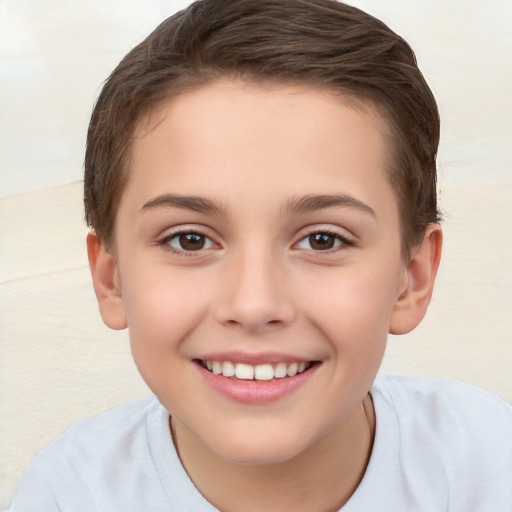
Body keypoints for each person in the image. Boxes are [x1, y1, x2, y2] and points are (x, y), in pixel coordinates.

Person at [6, 0, 512, 510]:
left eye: (323, 240)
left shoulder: (490, 465)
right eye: (190, 239)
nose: (253, 305)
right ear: (111, 280)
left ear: (412, 278)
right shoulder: (65, 494)